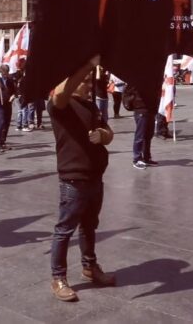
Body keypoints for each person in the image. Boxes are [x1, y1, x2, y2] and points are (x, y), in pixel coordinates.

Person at [47, 57, 116, 302]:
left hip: (95, 177)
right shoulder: (60, 106)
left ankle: (90, 267)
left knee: (89, 226)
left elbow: (109, 133)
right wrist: (86, 65)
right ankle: (58, 278)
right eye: (84, 81)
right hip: (73, 179)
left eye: (89, 81)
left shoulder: (92, 107)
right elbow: (58, 96)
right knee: (64, 229)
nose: (88, 85)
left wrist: (103, 135)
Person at [123, 84, 157, 169]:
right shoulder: (135, 80)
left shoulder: (151, 79)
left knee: (148, 135)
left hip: (150, 109)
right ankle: (137, 158)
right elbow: (127, 92)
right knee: (140, 136)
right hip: (140, 108)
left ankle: (146, 157)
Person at [0, 64, 15, 152]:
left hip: (8, 103)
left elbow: (14, 90)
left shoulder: (9, 78)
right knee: (1, 121)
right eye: (5, 73)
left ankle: (3, 141)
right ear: (1, 72)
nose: (6, 75)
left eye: (7, 73)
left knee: (7, 122)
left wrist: (13, 96)